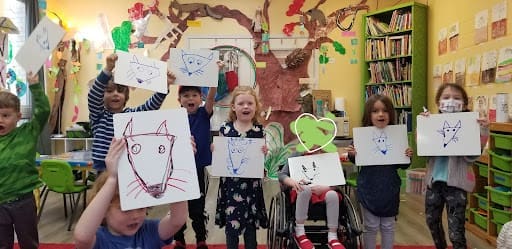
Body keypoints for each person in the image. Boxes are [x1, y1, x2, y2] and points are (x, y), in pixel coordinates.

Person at [73, 138, 188, 249]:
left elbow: (177, 220)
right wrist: (112, 179)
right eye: (126, 209)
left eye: (141, 208)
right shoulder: (99, 240)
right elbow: (82, 236)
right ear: (104, 210)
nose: (135, 216)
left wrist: (178, 167)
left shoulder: (149, 231)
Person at [419, 83, 489, 249]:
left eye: (457, 98)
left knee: (455, 231)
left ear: (464, 104)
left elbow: (473, 155)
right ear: (438, 103)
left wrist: (483, 131)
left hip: (457, 185)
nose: (451, 101)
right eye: (446, 97)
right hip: (434, 183)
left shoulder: (469, 125)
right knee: (432, 222)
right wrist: (423, 127)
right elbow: (424, 151)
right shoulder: (432, 123)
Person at [88, 53, 176, 173]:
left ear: (126, 96)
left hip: (126, 167)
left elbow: (150, 107)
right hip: (103, 168)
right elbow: (94, 95)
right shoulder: (98, 115)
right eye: (109, 91)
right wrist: (108, 69)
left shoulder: (130, 115)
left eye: (120, 91)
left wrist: (165, 86)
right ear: (102, 96)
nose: (115, 94)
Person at [346, 94, 413, 249]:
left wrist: (407, 156)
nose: (381, 114)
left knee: (388, 225)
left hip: (389, 189)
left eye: (385, 111)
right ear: (369, 115)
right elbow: (356, 160)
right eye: (375, 111)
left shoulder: (397, 136)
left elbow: (402, 165)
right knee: (370, 226)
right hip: (368, 188)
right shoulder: (361, 136)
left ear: (391, 114)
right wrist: (352, 154)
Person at [173, 61, 224, 249]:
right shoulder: (174, 118)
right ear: (180, 100)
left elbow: (211, 97)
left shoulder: (204, 113)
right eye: (185, 95)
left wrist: (214, 75)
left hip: (197, 168)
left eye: (194, 95)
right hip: (177, 169)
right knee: (178, 205)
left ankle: (200, 239)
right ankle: (179, 239)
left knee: (197, 207)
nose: (190, 98)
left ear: (200, 98)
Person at [0, 72, 50, 249]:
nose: (0, 120)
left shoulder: (28, 132)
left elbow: (43, 111)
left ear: (18, 116)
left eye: (5, 115)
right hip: (0, 203)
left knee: (29, 243)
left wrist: (35, 86)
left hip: (24, 200)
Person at [214, 86, 268, 249]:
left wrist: (265, 153)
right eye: (241, 103)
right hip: (230, 186)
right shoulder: (225, 128)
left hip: (252, 186)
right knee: (232, 227)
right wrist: (215, 150)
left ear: (256, 107)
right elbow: (221, 155)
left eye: (250, 103)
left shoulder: (259, 130)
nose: (246, 106)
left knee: (250, 226)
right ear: (233, 107)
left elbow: (262, 160)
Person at [279, 151, 346, 249]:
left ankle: (333, 237)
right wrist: (292, 182)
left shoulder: (328, 155)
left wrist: (326, 188)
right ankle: (300, 233)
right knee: (304, 189)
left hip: (325, 190)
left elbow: (338, 180)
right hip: (302, 192)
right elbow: (282, 175)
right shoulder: (296, 155)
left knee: (332, 195)